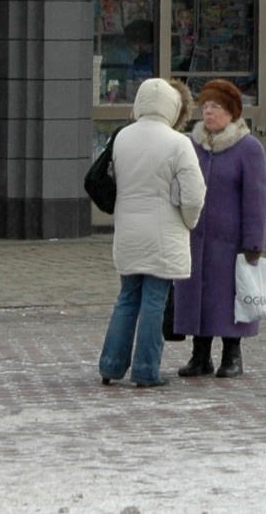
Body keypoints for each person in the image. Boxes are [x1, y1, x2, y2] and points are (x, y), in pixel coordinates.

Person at [100, 77, 206, 388]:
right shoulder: (178, 143)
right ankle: (146, 370)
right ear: (173, 107)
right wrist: (188, 221)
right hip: (164, 235)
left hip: (128, 231)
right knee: (154, 301)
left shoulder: (122, 138)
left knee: (127, 297)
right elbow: (194, 194)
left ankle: (111, 364)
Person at [173, 79, 266, 379]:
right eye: (205, 107)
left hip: (230, 243)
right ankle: (200, 355)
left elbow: (257, 198)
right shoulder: (192, 146)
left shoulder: (248, 148)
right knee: (197, 297)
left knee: (230, 299)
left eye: (216, 107)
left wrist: (253, 243)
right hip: (195, 238)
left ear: (231, 112)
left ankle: (233, 355)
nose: (209, 113)